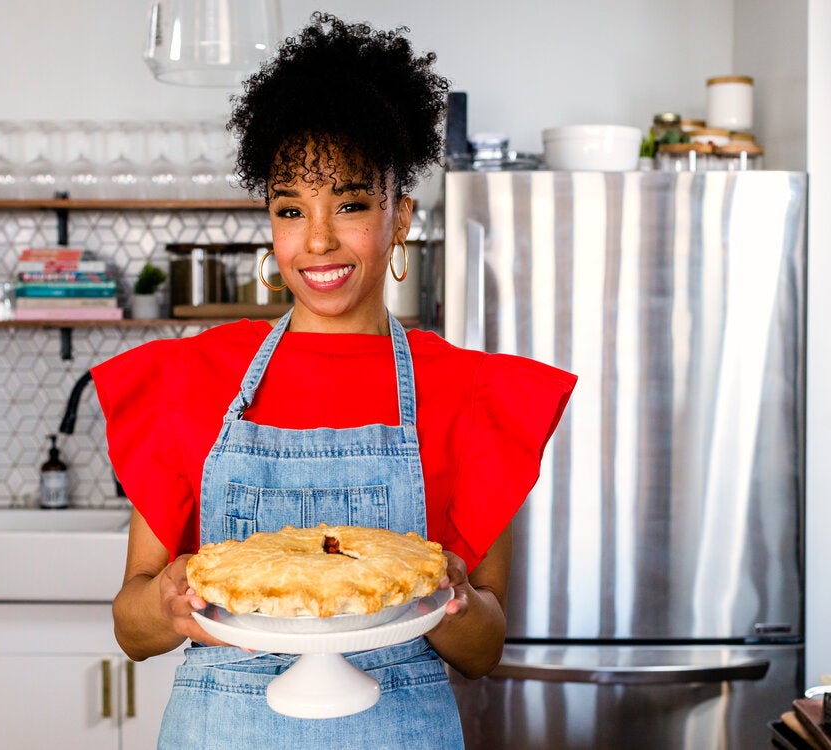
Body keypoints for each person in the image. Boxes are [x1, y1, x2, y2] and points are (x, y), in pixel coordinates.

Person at [92, 12, 576, 749]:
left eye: (350, 203)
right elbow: (131, 628)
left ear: (400, 216)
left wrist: (453, 596)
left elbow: (483, 652)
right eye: (291, 209)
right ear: (271, 225)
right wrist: (164, 603)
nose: (317, 240)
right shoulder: (192, 378)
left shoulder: (473, 393)